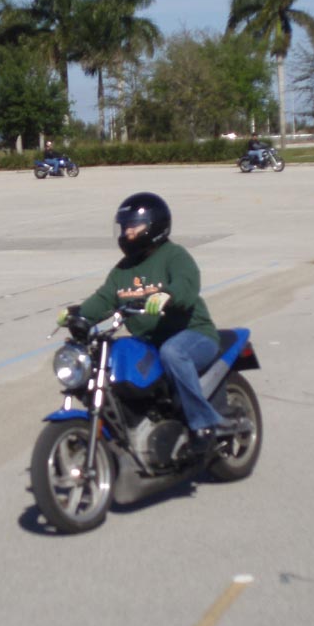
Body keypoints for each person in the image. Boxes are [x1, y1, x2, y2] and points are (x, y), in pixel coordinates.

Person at [58, 192, 227, 454]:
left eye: (134, 226)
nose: (127, 232)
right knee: (113, 358)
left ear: (155, 226)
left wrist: (167, 295)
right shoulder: (123, 269)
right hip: (149, 341)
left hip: (192, 334)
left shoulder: (174, 255)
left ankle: (203, 425)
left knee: (173, 353)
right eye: (124, 226)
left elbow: (187, 283)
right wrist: (78, 314)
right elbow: (105, 298)